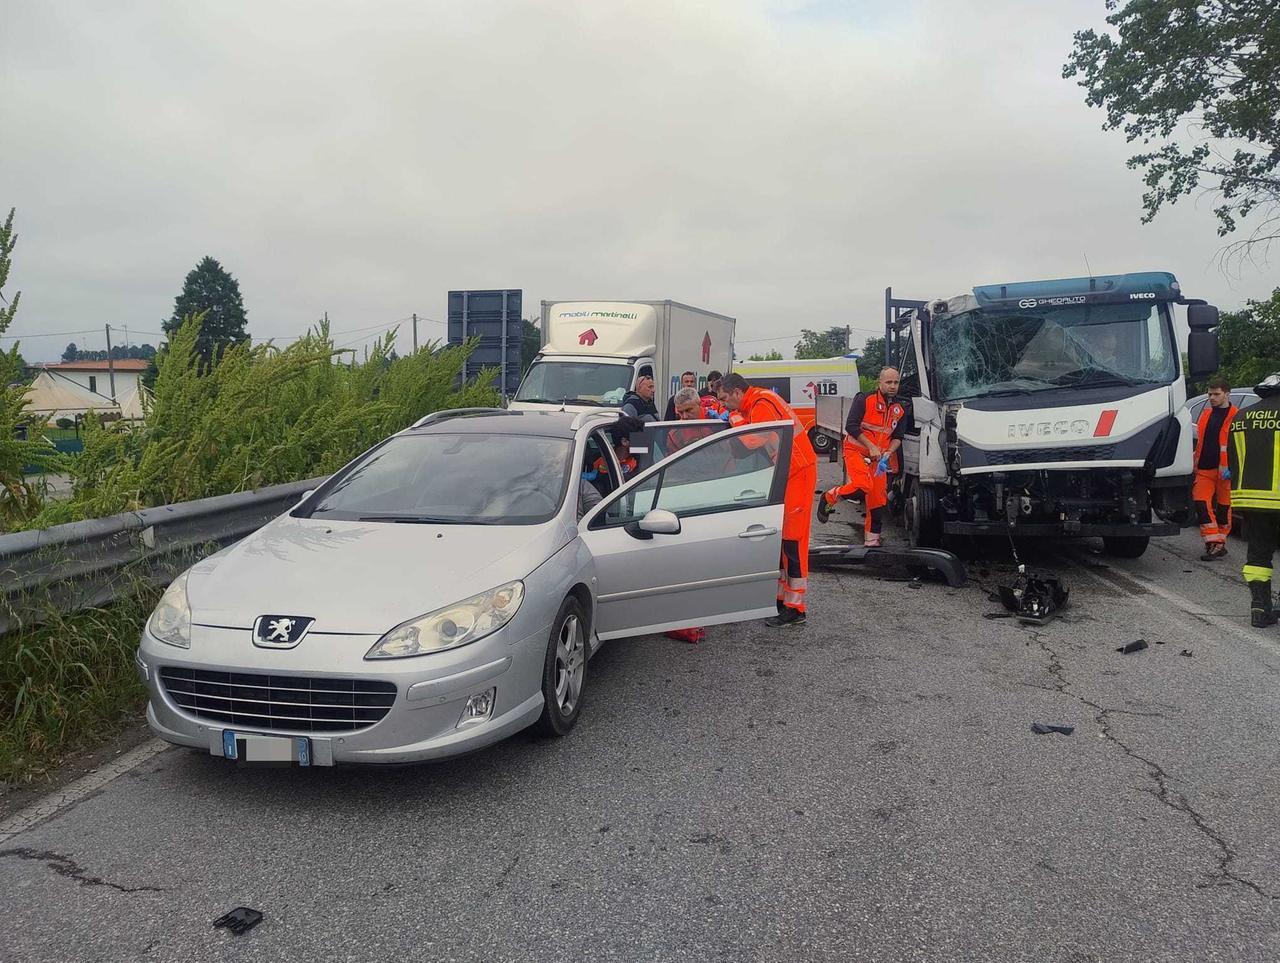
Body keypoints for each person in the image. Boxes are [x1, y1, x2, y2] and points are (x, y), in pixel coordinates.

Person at [717, 372, 818, 628]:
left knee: (793, 539)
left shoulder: (761, 403)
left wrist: (733, 418)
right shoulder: (756, 403)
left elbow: (751, 441)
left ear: (738, 392)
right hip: (788, 473)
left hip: (798, 471)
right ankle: (782, 599)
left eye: (725, 399)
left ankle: (796, 608)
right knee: (783, 539)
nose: (723, 405)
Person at [816, 367, 911, 547]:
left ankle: (872, 542)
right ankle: (829, 497)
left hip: (879, 459)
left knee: (878, 499)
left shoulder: (901, 408)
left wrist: (888, 453)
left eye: (896, 382)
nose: (892, 386)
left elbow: (898, 437)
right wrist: (871, 446)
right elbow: (851, 426)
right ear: (880, 383)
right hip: (855, 450)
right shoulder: (864, 399)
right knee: (862, 485)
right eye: (888, 382)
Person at [1228, 373, 1280, 627]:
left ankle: (1259, 609)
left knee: (1258, 556)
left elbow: (1232, 461)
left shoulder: (1240, 417)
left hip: (1250, 499)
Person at [1194, 378, 1237, 560]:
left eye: (1216, 394)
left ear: (1227, 394)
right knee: (1201, 503)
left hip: (1226, 471)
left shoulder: (1237, 415)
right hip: (1204, 468)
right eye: (1210, 394)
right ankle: (1214, 542)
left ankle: (1218, 543)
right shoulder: (1205, 415)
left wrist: (1234, 467)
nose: (1212, 397)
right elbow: (1200, 442)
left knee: (1223, 507)